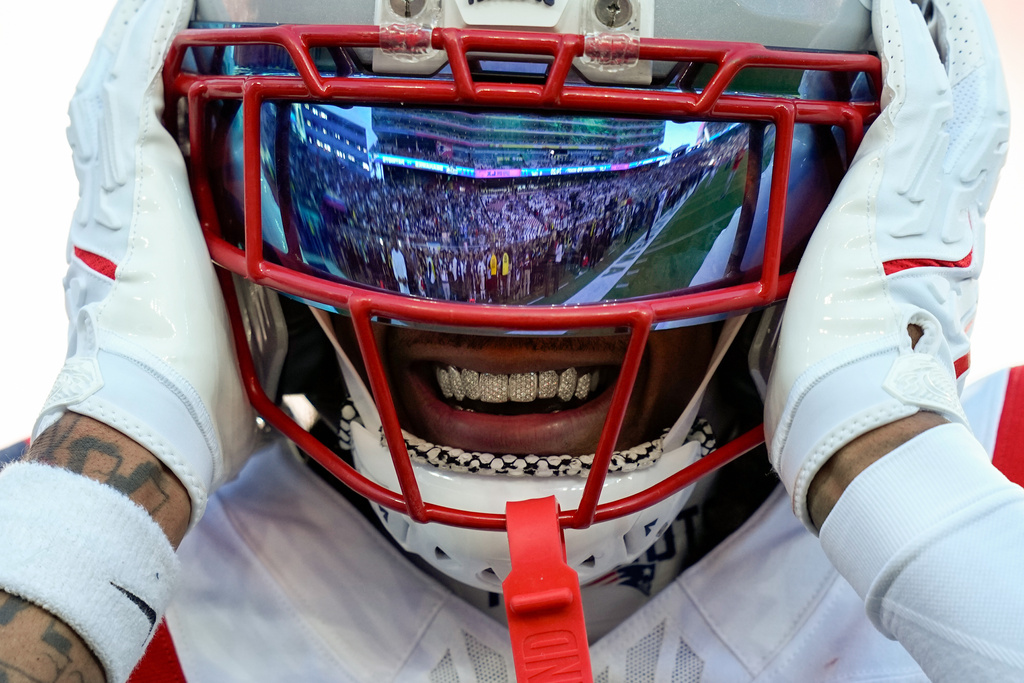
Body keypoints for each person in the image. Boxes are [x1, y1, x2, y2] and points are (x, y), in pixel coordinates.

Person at [0, 0, 1021, 681]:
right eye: (385, 189)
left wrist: (896, 474)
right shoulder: (65, 542)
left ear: (857, 194)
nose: (502, 314)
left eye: (604, 191)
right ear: (206, 181)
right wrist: (105, 483)